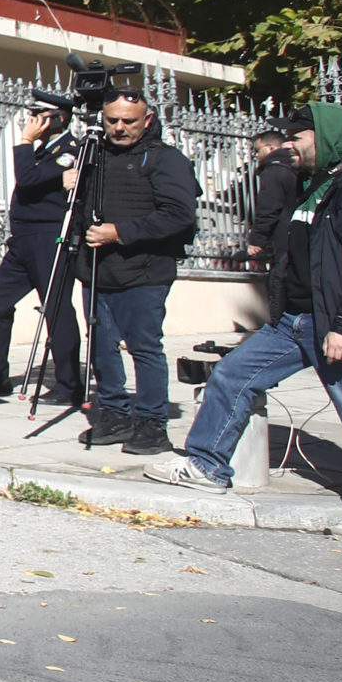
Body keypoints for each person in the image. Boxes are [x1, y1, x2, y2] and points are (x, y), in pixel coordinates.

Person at [148, 105, 342, 536]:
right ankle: (207, 465)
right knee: (233, 375)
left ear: (327, 139)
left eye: (297, 137)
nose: (287, 145)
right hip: (293, 321)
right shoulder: (315, 186)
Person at [79, 91, 200, 454]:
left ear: (147, 121)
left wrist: (120, 232)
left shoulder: (166, 159)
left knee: (144, 347)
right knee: (101, 346)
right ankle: (114, 414)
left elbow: (180, 214)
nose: (119, 128)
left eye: (128, 121)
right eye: (112, 120)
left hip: (145, 271)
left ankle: (152, 423)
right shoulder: (94, 156)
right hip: (97, 270)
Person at [0, 107, 83, 404]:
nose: (31, 121)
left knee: (56, 308)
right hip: (22, 240)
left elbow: (28, 179)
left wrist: (24, 141)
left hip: (48, 238)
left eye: (39, 116)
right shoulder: (44, 151)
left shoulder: (69, 150)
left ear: (56, 120)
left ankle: (70, 384)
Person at [245, 129, 299, 268]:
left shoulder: (273, 170)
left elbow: (268, 209)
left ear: (271, 148)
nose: (256, 155)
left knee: (279, 284)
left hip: (281, 241)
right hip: (297, 237)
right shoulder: (295, 167)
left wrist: (257, 240)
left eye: (258, 150)